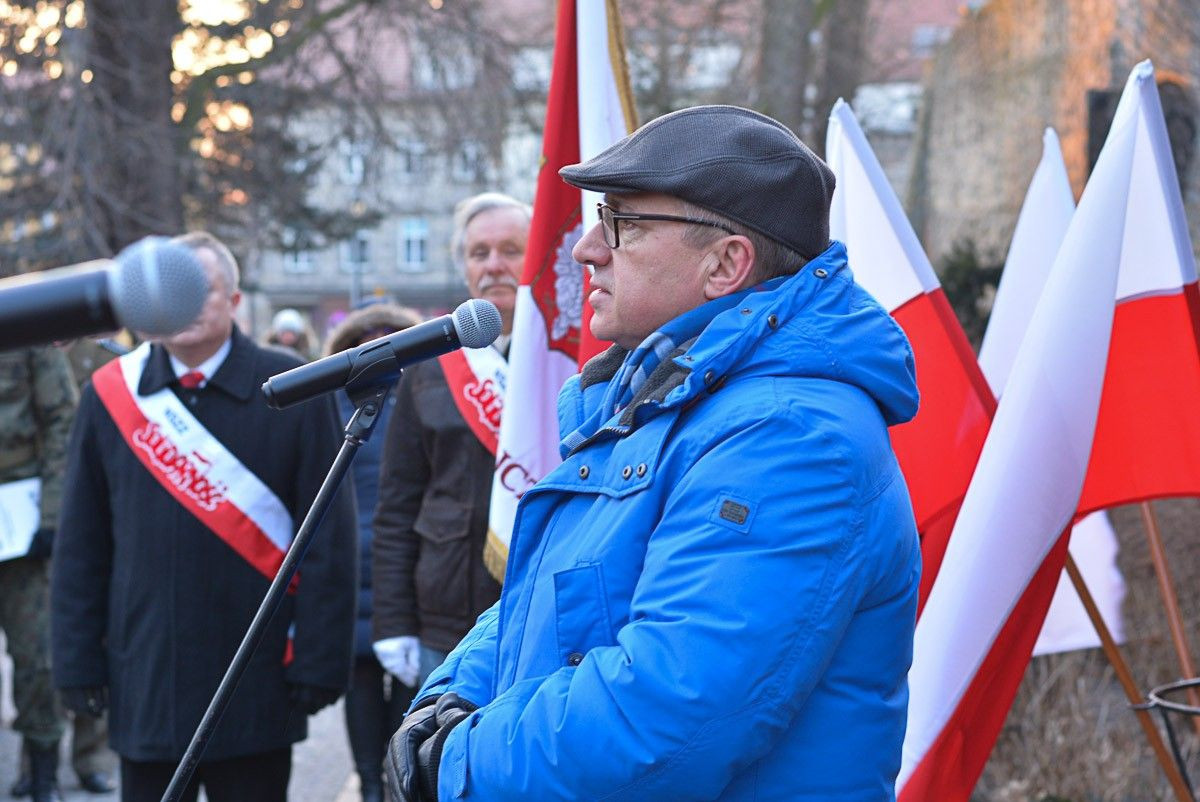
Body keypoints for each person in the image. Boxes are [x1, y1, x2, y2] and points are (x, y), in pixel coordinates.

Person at [386, 106, 922, 802]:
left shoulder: (789, 436)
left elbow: (669, 715)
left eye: (624, 224)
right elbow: (554, 596)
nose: (586, 250)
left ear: (726, 264)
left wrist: (458, 761)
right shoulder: (665, 402)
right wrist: (446, 701)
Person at [51, 231, 357, 802]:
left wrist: (320, 660)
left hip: (255, 681)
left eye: (202, 290)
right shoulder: (109, 396)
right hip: (147, 675)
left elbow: (328, 541)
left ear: (235, 300)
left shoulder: (296, 388)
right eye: (169, 292)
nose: (183, 306)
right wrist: (75, 660)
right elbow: (82, 543)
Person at [370, 192, 530, 694]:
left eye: (511, 250)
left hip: (543, 612)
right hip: (445, 618)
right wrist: (393, 621)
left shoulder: (571, 357)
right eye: (479, 253)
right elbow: (397, 504)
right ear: (464, 267)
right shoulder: (429, 365)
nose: (494, 265)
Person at [10, 337, 124, 800]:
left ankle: (87, 758)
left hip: (47, 509)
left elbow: (64, 425)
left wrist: (52, 516)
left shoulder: (102, 355)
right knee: (46, 651)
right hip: (31, 507)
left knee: (64, 640)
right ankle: (35, 762)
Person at [325, 303, 422, 802]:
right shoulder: (338, 406)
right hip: (375, 561)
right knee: (371, 682)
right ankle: (377, 783)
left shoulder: (338, 405)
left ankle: (376, 784)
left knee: (392, 682)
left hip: (392, 560)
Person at [0, 345, 77, 802]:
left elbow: (61, 421)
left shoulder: (21, 327)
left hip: (19, 523)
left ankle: (42, 768)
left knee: (37, 654)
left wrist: (51, 517)